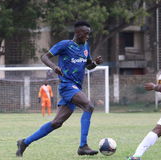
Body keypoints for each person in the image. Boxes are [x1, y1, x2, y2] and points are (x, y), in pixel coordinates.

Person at [16, 21, 103, 157]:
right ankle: (83, 146)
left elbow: (88, 66)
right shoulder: (65, 45)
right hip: (67, 85)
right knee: (89, 106)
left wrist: (95, 64)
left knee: (57, 123)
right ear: (78, 33)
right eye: (86, 34)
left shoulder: (85, 47)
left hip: (75, 87)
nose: (88, 36)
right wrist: (54, 67)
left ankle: (24, 142)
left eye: (88, 34)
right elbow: (44, 57)